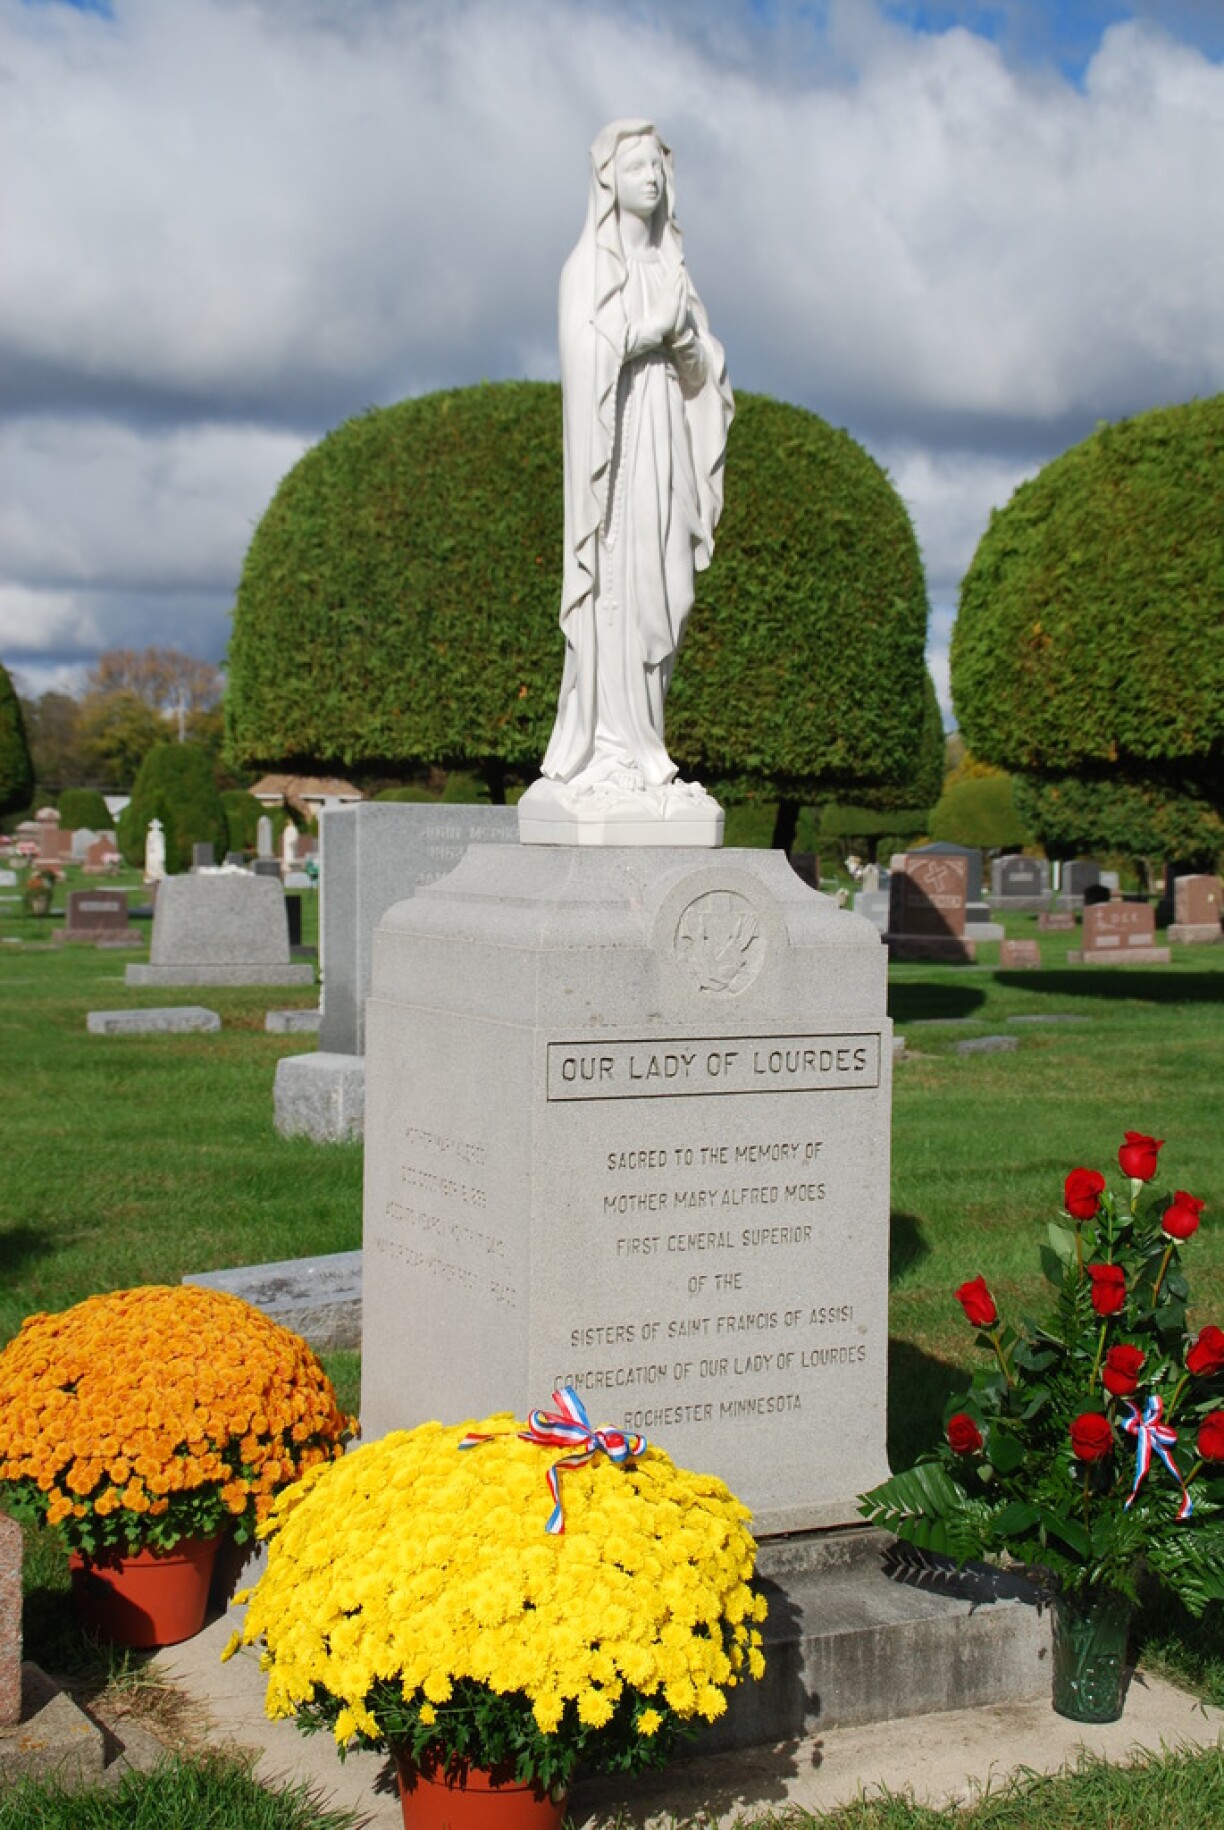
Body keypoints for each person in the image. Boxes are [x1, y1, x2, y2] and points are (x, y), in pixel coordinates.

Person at [526, 119, 734, 832]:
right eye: (637, 163)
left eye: (658, 165)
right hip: (611, 452)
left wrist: (685, 347)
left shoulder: (675, 272)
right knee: (616, 586)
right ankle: (614, 746)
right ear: (607, 177)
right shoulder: (585, 269)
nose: (652, 175)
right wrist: (644, 337)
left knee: (665, 590)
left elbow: (707, 374)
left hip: (665, 441)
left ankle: (648, 737)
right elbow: (582, 361)